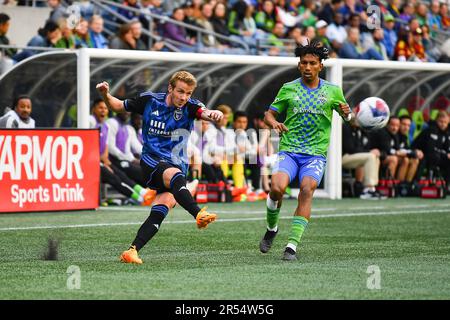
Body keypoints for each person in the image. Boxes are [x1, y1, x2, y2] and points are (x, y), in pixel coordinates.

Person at [96, 70, 223, 264]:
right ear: (170, 88)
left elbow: (203, 112)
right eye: (180, 91)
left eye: (188, 93)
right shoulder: (150, 100)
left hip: (177, 164)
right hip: (152, 161)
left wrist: (214, 113)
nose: (184, 97)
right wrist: (105, 94)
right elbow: (118, 106)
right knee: (174, 175)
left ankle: (132, 251)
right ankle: (198, 213)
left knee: (160, 209)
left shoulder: (190, 106)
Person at [259, 41, 352, 261]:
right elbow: (269, 114)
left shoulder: (333, 91)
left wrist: (348, 114)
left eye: (312, 63)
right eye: (303, 63)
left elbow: (348, 119)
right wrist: (274, 124)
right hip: (290, 150)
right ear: (299, 65)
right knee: (276, 189)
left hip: (315, 153)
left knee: (306, 189)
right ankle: (272, 229)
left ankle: (291, 246)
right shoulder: (289, 88)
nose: (307, 67)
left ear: (321, 65)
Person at [90, 98, 156, 206]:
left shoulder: (125, 127)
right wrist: (128, 159)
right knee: (119, 175)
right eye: (100, 108)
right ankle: (142, 197)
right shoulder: (106, 123)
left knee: (143, 169)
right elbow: (111, 147)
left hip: (109, 159)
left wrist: (148, 157)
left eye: (105, 108)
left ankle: (144, 194)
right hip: (113, 159)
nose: (126, 113)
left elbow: (134, 147)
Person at [342, 119, 384, 199]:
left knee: (375, 157)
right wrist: (369, 151)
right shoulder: (345, 128)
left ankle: (372, 188)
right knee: (371, 156)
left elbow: (364, 147)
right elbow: (350, 149)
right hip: (342, 157)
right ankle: (367, 189)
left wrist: (373, 151)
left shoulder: (362, 130)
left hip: (353, 156)